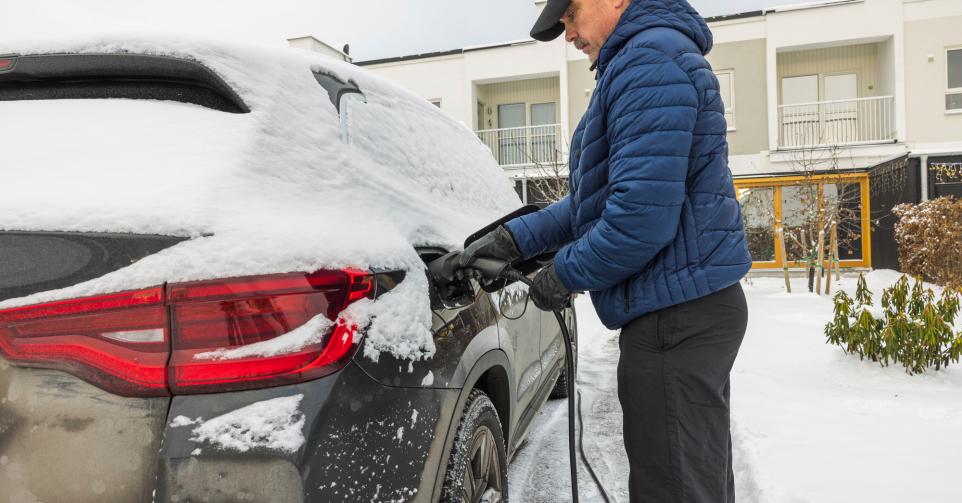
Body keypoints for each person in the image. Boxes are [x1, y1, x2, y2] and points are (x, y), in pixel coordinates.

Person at [459, 0, 753, 501]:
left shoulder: (648, 63)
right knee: (692, 481)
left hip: (674, 320)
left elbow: (639, 219)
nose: (569, 33)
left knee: (675, 489)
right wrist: (513, 241)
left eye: (570, 14)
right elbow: (593, 202)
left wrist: (560, 277)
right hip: (685, 309)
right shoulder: (645, 58)